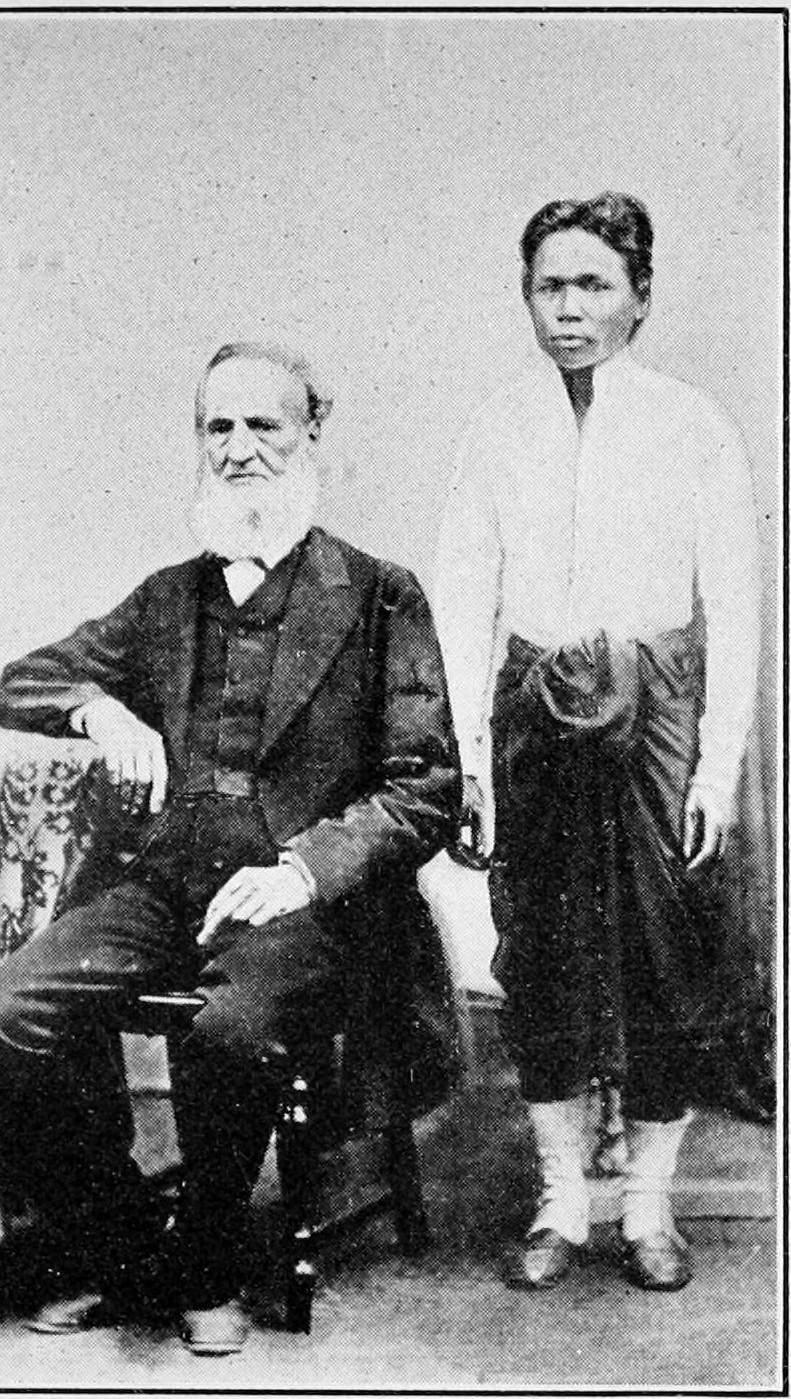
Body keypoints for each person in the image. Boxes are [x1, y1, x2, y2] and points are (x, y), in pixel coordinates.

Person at [0, 341, 461, 1353]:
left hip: (306, 906)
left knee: (227, 1029)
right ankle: (122, 1239)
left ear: (311, 432)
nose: (237, 448)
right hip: (164, 885)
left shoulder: (379, 595)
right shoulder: (167, 597)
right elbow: (22, 679)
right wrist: (96, 707)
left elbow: (425, 789)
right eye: (216, 426)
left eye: (262, 424)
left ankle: (210, 1257)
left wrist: (301, 871)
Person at [434, 193, 759, 1291]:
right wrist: (469, 760)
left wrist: (713, 763)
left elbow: (734, 605)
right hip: (533, 713)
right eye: (548, 286)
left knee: (666, 958)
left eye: (592, 285)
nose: (567, 308)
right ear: (525, 298)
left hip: (656, 711)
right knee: (544, 951)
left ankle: (648, 1207)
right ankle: (561, 1202)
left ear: (639, 299)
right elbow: (461, 595)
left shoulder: (692, 425)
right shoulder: (497, 426)